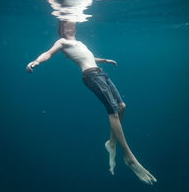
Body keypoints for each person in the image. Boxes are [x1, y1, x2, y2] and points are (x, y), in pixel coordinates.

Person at [26, 21, 157, 185]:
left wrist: (105, 60)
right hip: (91, 77)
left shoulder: (79, 43)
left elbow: (88, 57)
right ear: (61, 28)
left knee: (122, 107)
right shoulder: (62, 42)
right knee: (113, 112)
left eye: (72, 24)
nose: (71, 26)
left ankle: (111, 143)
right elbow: (48, 53)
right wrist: (37, 61)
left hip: (100, 73)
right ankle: (128, 156)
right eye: (67, 24)